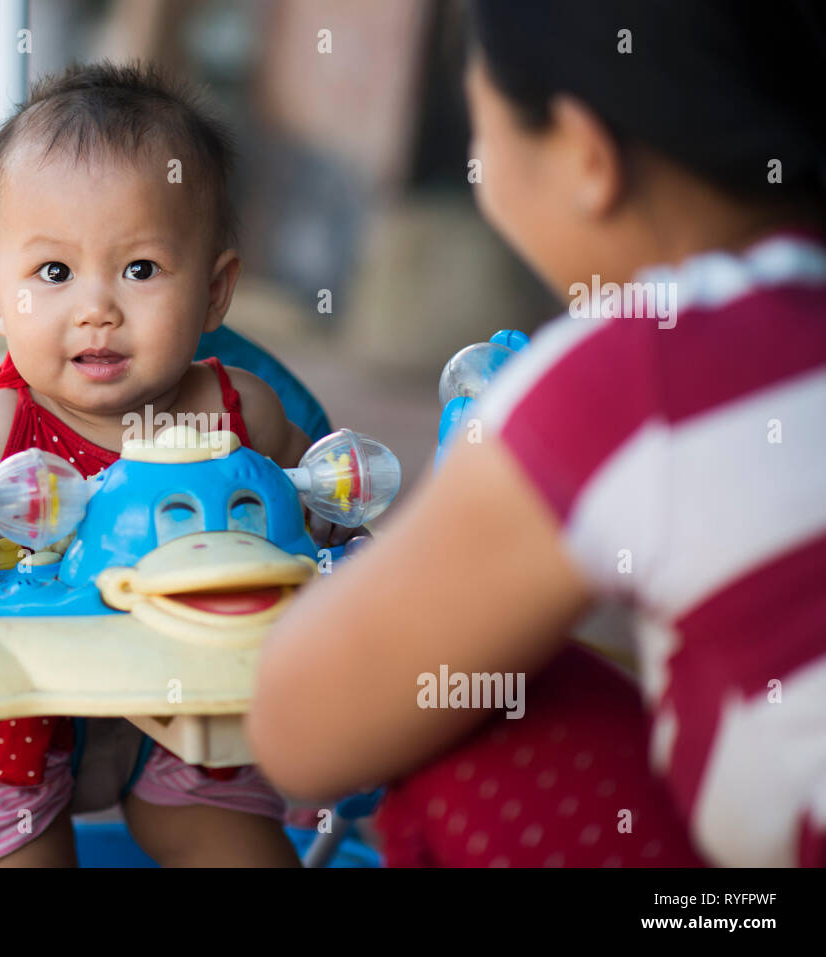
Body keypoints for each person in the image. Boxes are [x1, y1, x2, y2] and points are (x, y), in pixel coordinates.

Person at [249, 0, 826, 867]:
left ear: (586, 157)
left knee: (465, 710)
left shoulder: (646, 361)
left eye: (484, 144)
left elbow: (301, 728)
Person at [0, 61, 354, 867]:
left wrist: (322, 519)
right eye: (54, 273)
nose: (97, 306)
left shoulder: (244, 412)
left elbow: (313, 510)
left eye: (140, 268)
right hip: (10, 728)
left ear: (215, 292)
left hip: (194, 726)